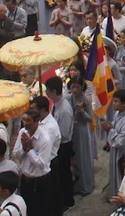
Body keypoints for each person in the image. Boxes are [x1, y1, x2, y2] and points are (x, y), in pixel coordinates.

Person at [11, 108, 58, 216]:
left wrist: (29, 150)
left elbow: (41, 164)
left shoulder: (45, 139)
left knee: (43, 211)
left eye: (28, 120)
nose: (25, 123)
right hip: (25, 179)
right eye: (24, 120)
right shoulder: (22, 133)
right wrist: (24, 148)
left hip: (40, 181)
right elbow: (15, 154)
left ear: (37, 121)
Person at [45, 77, 74, 209]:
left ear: (54, 91)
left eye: (48, 90)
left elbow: (64, 134)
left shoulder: (65, 110)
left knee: (64, 174)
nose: (46, 92)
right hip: (58, 145)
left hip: (63, 146)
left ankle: (68, 201)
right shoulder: (56, 105)